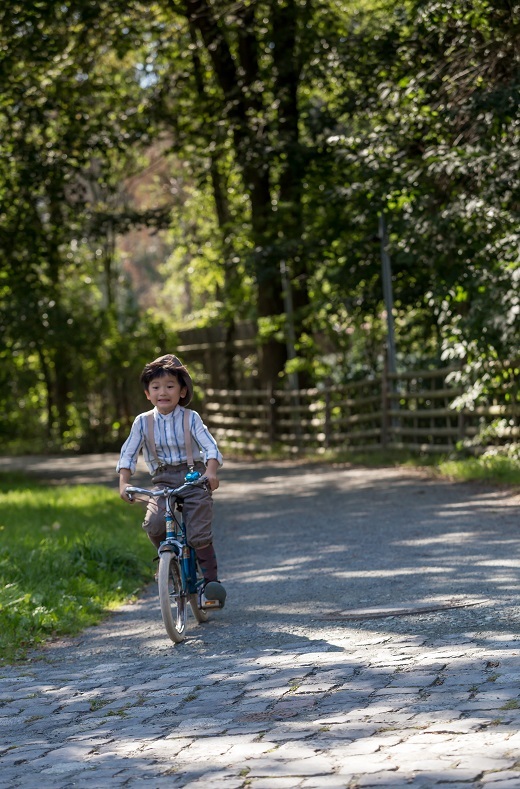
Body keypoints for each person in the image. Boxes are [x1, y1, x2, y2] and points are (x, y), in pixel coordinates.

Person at [117, 353, 226, 609]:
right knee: (154, 524)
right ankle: (170, 565)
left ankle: (211, 584)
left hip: (193, 477)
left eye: (169, 386)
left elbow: (210, 447)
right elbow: (128, 453)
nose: (162, 392)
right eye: (155, 387)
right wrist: (124, 482)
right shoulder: (142, 422)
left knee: (198, 531)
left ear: (182, 391)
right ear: (147, 393)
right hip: (162, 480)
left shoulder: (191, 418)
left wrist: (210, 472)